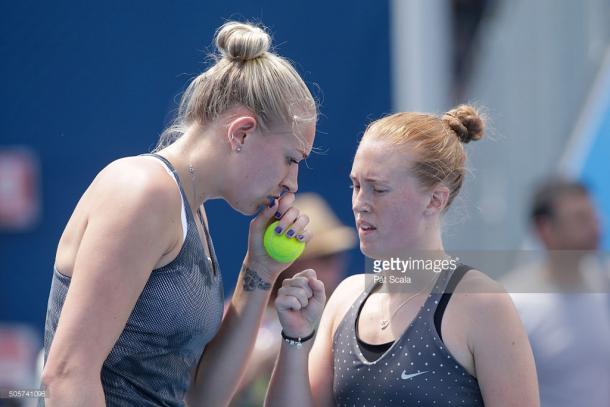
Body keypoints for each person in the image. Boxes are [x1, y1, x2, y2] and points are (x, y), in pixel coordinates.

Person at [39, 21, 317, 407]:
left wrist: (260, 271)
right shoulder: (143, 192)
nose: (293, 183)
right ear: (241, 134)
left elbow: (204, 397)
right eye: (291, 159)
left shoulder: (191, 212)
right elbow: (67, 375)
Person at [265, 105, 540, 406]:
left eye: (378, 189)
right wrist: (295, 338)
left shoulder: (483, 304)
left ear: (434, 200)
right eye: (356, 186)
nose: (360, 203)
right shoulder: (345, 298)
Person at [230, 193, 356, 406]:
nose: (335, 265)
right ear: (293, 260)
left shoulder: (344, 313)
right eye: (325, 256)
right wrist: (269, 350)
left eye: (337, 254)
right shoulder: (240, 313)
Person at [505, 179, 610, 407]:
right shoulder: (512, 304)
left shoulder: (603, 286)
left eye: (594, 216)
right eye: (581, 218)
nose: (596, 226)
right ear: (545, 229)